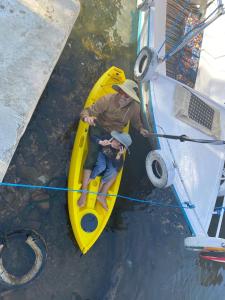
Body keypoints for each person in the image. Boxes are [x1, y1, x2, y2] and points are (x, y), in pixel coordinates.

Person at [78, 79, 149, 207]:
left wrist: (141, 129)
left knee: (118, 165)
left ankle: (102, 195)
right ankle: (83, 192)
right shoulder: (107, 99)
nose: (123, 96)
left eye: (127, 95)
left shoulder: (135, 108)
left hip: (115, 135)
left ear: (132, 98)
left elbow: (136, 123)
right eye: (122, 92)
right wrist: (86, 117)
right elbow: (86, 111)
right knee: (92, 155)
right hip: (98, 128)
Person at [89, 130, 132, 210]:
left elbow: (117, 167)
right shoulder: (108, 138)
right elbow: (92, 137)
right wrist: (101, 142)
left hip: (110, 160)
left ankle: (101, 186)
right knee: (102, 166)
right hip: (102, 155)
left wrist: (118, 156)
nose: (115, 142)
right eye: (116, 140)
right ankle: (91, 178)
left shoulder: (119, 153)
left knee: (114, 171)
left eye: (119, 143)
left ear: (121, 147)